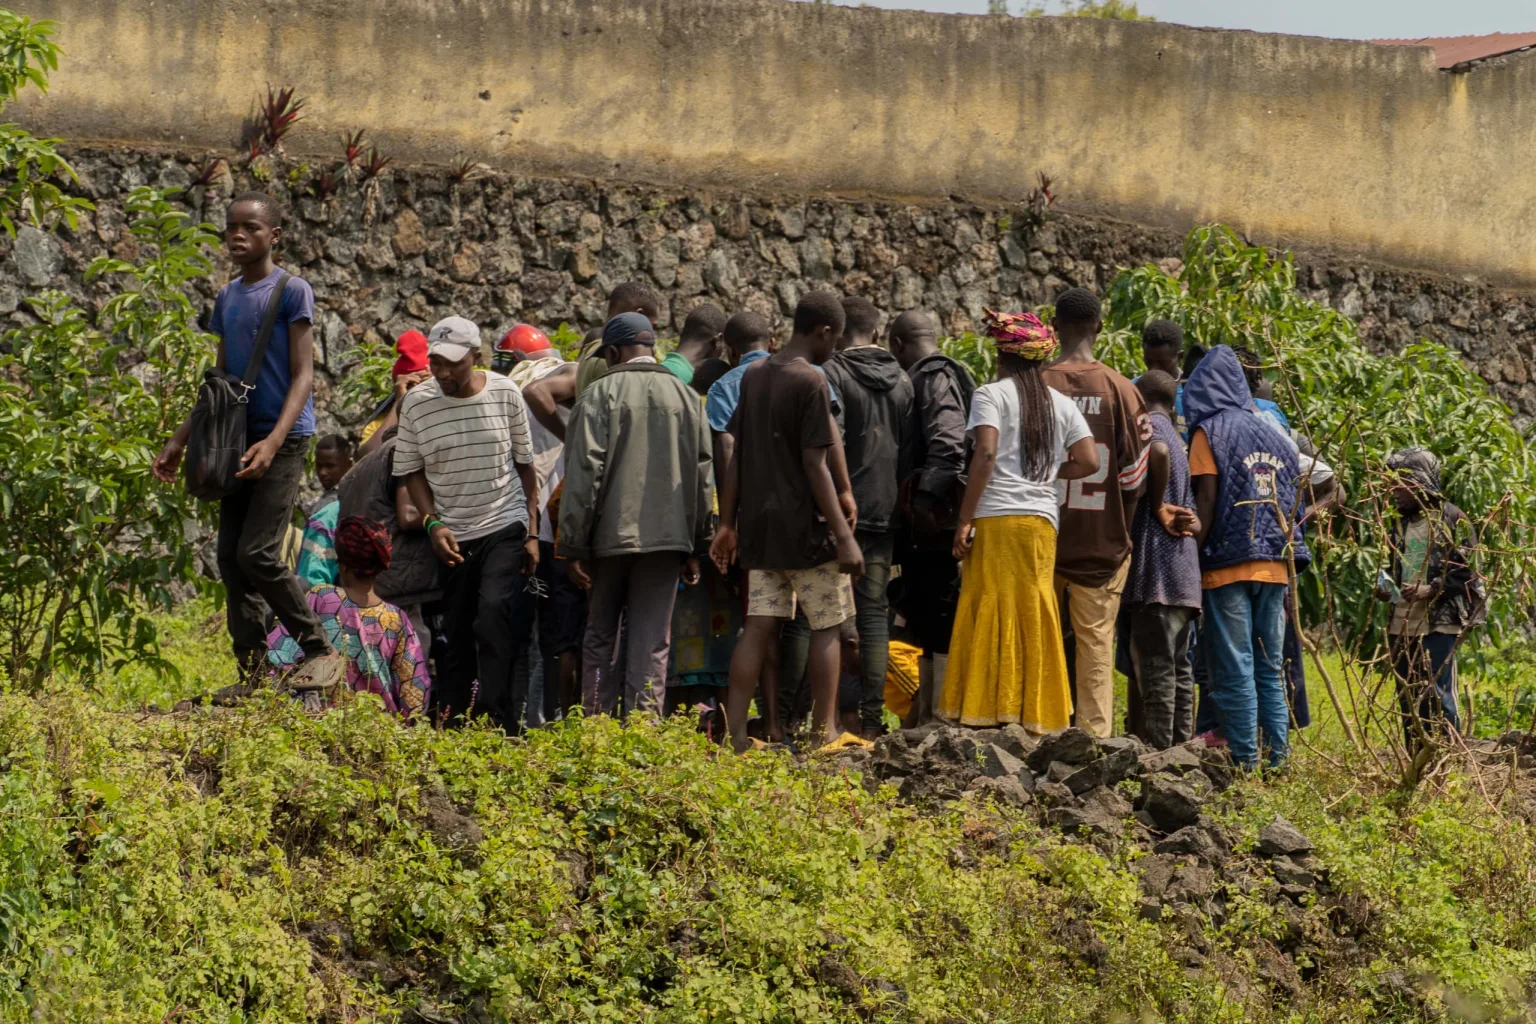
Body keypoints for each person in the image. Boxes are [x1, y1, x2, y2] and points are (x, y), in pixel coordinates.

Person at [151, 191, 339, 684]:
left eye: (250, 228)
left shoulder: (292, 290)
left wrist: (274, 442)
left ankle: (318, 647)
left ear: (273, 236)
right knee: (230, 560)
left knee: (257, 552)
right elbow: (220, 380)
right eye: (231, 227)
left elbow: (303, 375)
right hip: (234, 435)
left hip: (283, 438)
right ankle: (253, 676)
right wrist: (179, 439)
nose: (238, 235)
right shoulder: (228, 297)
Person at [712, 292, 864, 753]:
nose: (835, 347)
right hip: (806, 531)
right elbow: (815, 464)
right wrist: (844, 537)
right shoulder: (811, 380)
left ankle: (737, 737)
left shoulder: (755, 375)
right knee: (826, 625)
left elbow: (737, 455)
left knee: (758, 627)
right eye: (835, 339)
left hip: (760, 529)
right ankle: (823, 734)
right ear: (823, 332)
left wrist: (728, 522)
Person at [940, 311, 1097, 731]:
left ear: (1001, 356)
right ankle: (1034, 714)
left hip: (995, 518)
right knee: (1033, 607)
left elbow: (986, 453)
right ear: (1041, 359)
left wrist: (964, 518)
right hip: (1041, 523)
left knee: (989, 602)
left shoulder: (990, 395)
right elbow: (1089, 461)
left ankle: (985, 709)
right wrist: (1047, 473)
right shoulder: (1061, 404)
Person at [559, 312, 714, 717]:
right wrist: (697, 544)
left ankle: (597, 728)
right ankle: (644, 731)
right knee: (652, 640)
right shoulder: (685, 395)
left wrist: (573, 545)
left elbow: (583, 476)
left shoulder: (596, 394)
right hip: (668, 540)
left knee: (601, 636)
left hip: (607, 539)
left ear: (612, 353)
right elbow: (702, 476)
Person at [395, 316, 539, 731]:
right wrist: (432, 523)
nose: (442, 372)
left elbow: (525, 468)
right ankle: (457, 721)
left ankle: (499, 721)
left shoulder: (505, 393)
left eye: (453, 363)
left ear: (477, 357)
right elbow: (410, 471)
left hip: (503, 520)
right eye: (436, 362)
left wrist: (532, 532)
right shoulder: (417, 404)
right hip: (453, 532)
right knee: (456, 630)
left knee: (492, 613)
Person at [1184, 345, 1308, 770]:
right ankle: (1278, 762)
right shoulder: (1276, 434)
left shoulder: (1209, 432)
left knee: (1235, 667)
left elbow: (1206, 500)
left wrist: (1191, 557)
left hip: (1228, 565)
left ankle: (1245, 761)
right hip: (1275, 565)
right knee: (1270, 668)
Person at [1042, 288, 1150, 738]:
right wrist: (1121, 531)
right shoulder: (1122, 390)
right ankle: (1094, 741)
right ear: (1100, 327)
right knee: (1096, 646)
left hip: (1041, 536)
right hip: (1100, 540)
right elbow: (1134, 479)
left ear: (1054, 326)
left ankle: (1035, 730)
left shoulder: (1034, 385)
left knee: (1039, 639)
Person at [820, 296, 914, 737]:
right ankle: (873, 721)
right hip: (885, 511)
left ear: (839, 333)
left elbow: (827, 443)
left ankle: (832, 717)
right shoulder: (903, 381)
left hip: (839, 512)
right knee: (874, 613)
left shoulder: (832, 374)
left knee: (828, 613)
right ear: (877, 334)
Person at [887, 309, 976, 726]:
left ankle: (941, 715)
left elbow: (949, 444)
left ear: (897, 344)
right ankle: (925, 712)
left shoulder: (935, 376)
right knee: (923, 612)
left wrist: (923, 503)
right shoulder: (928, 376)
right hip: (928, 524)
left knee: (939, 613)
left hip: (935, 524)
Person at [265, 515, 431, 717]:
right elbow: (415, 696)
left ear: (342, 566)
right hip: (379, 728)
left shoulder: (321, 598)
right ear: (380, 566)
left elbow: (277, 658)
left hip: (318, 724)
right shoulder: (398, 619)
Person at [1378, 447, 1482, 751]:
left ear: (1419, 483)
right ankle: (1416, 760)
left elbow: (1468, 573)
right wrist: (1385, 587)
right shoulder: (1398, 523)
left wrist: (1431, 589)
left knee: (1438, 695)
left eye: (1400, 484)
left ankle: (1447, 762)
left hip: (1439, 622)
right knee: (1408, 696)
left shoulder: (1452, 519)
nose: (1394, 491)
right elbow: (1392, 567)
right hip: (1402, 622)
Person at [1123, 370, 1202, 749]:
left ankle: (1160, 754)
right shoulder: (1178, 436)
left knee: (1156, 670)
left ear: (1140, 399)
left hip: (1156, 572)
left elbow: (1157, 453)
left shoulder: (1151, 429)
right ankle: (1182, 753)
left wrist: (1155, 506)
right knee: (1180, 670)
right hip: (1183, 573)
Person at [336, 417, 442, 667]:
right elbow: (408, 515)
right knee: (409, 646)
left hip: (371, 578)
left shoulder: (363, 465)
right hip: (400, 574)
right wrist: (449, 518)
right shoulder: (403, 452)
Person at [575, 282, 668, 395]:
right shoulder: (610, 360)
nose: (652, 335)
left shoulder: (591, 348)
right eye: (652, 327)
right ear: (639, 315)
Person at [358, 330, 431, 457]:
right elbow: (366, 457)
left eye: (426, 384)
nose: (419, 391)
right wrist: (400, 402)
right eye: (412, 385)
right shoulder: (379, 424)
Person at [297, 434, 352, 587]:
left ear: (349, 464)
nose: (322, 472)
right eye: (319, 466)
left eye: (330, 466)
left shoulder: (335, 505)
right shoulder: (334, 498)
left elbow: (315, 570)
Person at [1140, 319, 1188, 439]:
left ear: (1179, 357)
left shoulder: (1192, 394)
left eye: (1161, 363)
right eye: (1149, 362)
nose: (1153, 369)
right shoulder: (1133, 389)